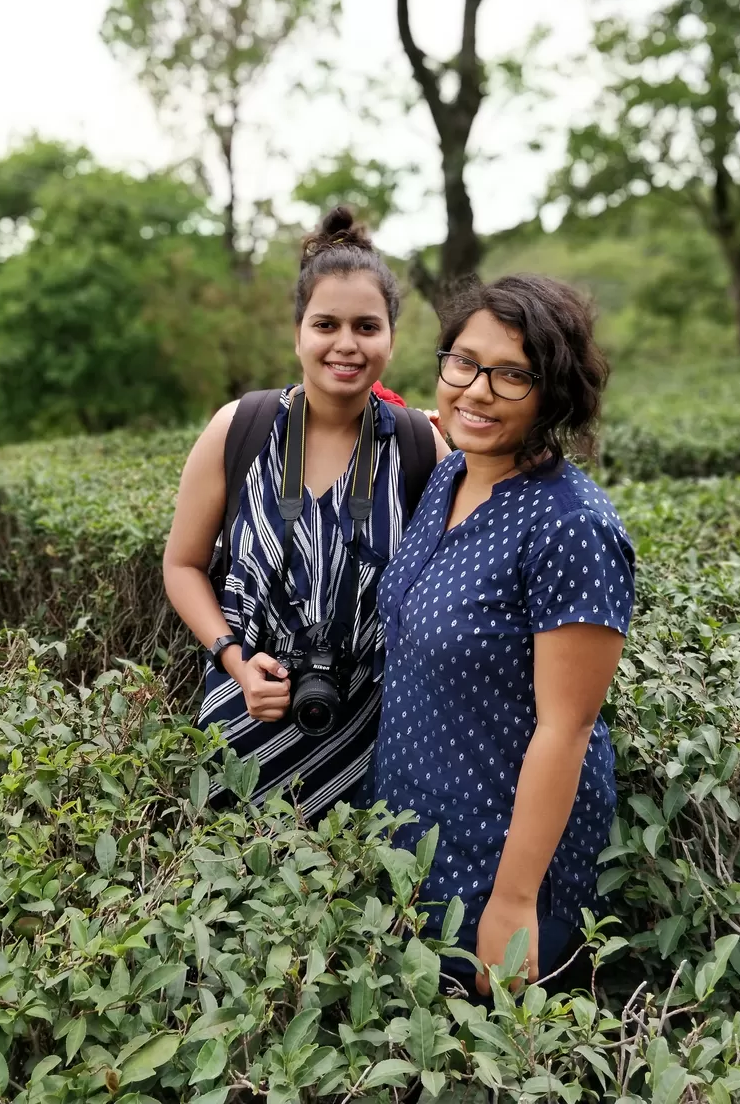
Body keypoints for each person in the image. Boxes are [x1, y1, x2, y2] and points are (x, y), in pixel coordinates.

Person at [373, 274, 636, 995]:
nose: (478, 389)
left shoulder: (571, 526)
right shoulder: (451, 474)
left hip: (502, 868)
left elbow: (567, 728)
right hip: (411, 836)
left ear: (553, 391)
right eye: (464, 363)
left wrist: (514, 900)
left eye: (512, 375)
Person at [163, 207, 449, 818]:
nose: (346, 344)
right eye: (326, 324)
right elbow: (182, 565)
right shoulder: (238, 429)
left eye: (367, 327)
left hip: (373, 741)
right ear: (298, 333)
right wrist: (234, 661)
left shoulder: (421, 447)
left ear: (391, 340)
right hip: (244, 724)